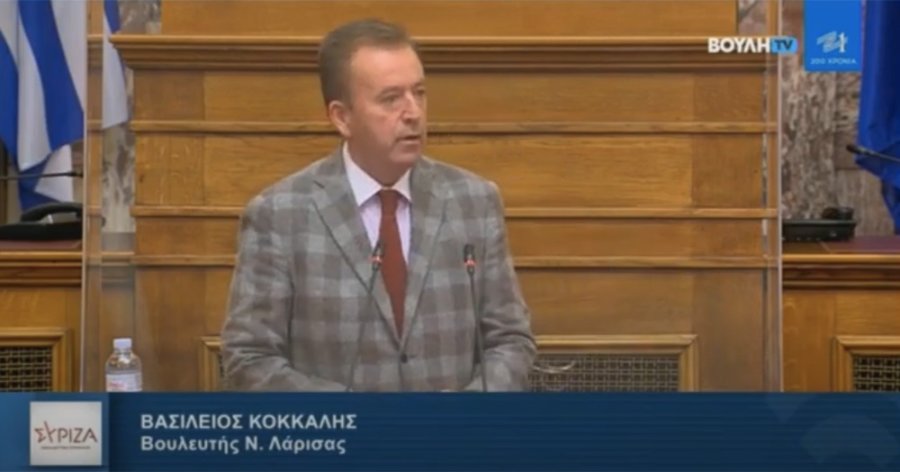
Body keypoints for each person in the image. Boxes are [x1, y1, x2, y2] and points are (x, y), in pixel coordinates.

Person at [220, 19, 535, 392]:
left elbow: (511, 340)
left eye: (419, 93)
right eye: (391, 98)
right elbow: (250, 358)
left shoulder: (474, 201)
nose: (413, 112)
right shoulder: (280, 215)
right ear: (342, 117)